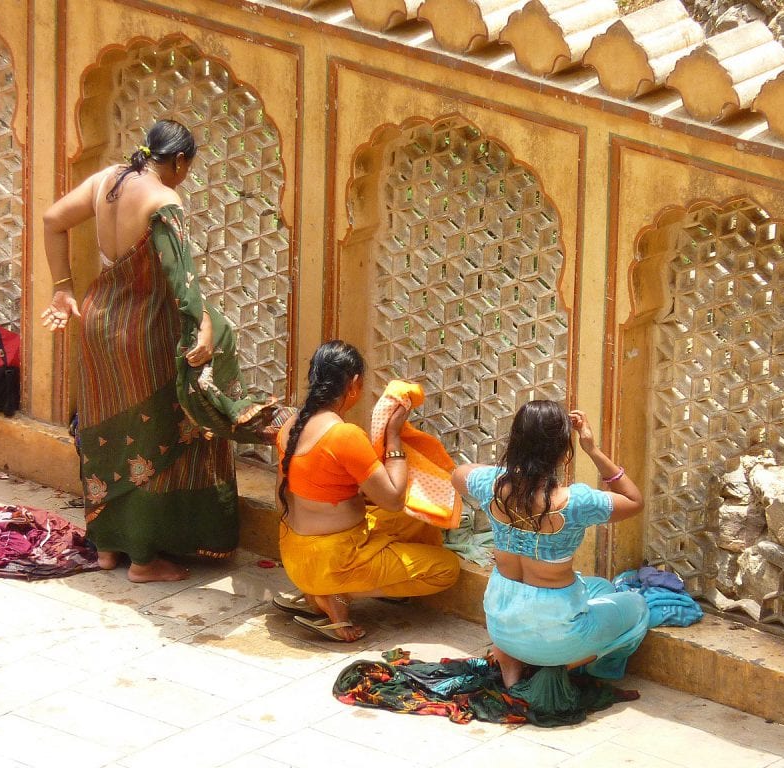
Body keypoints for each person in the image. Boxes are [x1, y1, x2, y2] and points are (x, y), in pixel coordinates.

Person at [41, 119, 274, 583]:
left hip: (100, 320)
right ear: (180, 161)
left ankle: (108, 547)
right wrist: (204, 331)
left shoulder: (108, 179)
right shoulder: (163, 201)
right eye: (188, 168)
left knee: (108, 432)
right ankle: (145, 561)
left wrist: (62, 289)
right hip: (146, 328)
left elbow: (52, 220)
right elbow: (182, 284)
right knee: (154, 436)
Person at [451, 401, 649, 688]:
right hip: (559, 639)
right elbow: (634, 501)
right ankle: (567, 664)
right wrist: (593, 450)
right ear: (562, 450)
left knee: (601, 588)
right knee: (637, 604)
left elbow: (459, 473)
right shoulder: (575, 502)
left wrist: (512, 472)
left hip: (502, 628)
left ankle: (511, 658)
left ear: (515, 440)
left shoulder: (490, 485)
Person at [273, 340, 460, 641]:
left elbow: (291, 492)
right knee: (446, 569)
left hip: (297, 553)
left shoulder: (290, 425)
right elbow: (394, 499)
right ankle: (336, 595)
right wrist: (394, 435)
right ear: (355, 383)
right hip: (335, 560)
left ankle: (317, 590)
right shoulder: (344, 435)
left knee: (417, 519)